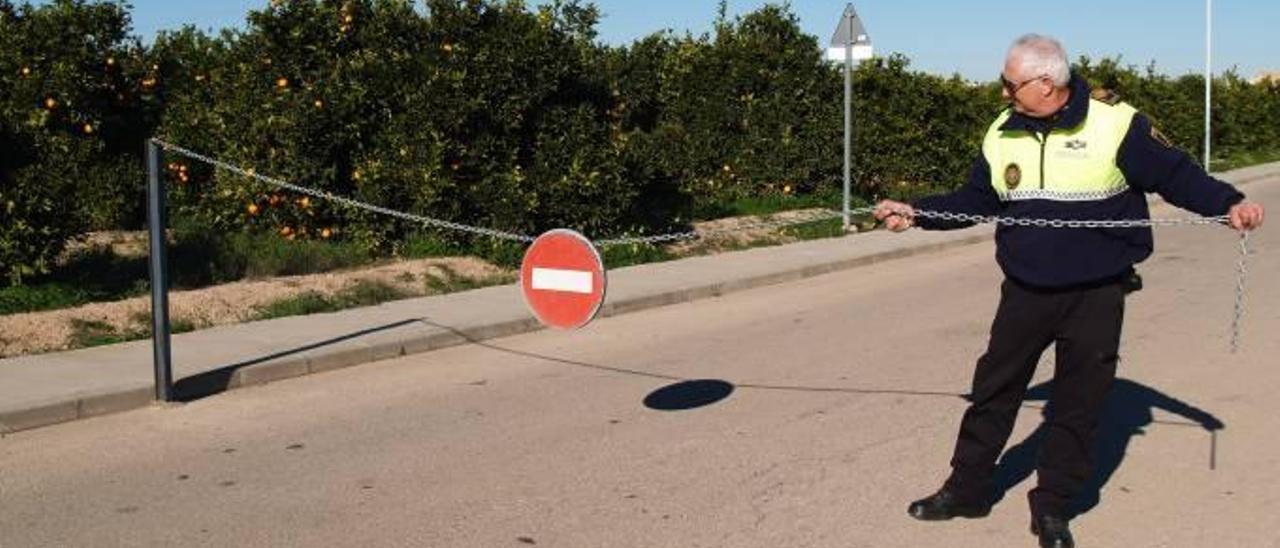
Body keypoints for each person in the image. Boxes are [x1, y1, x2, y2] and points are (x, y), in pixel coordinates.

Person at [873, 34, 1265, 548]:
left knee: (1078, 404)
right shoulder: (1002, 129)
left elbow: (1175, 174)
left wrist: (1227, 203)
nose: (1003, 94)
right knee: (993, 391)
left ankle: (1054, 507)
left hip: (1097, 292)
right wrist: (918, 213)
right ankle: (966, 489)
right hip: (1025, 290)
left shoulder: (1115, 122)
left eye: (1009, 84)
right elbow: (976, 198)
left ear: (1045, 83)